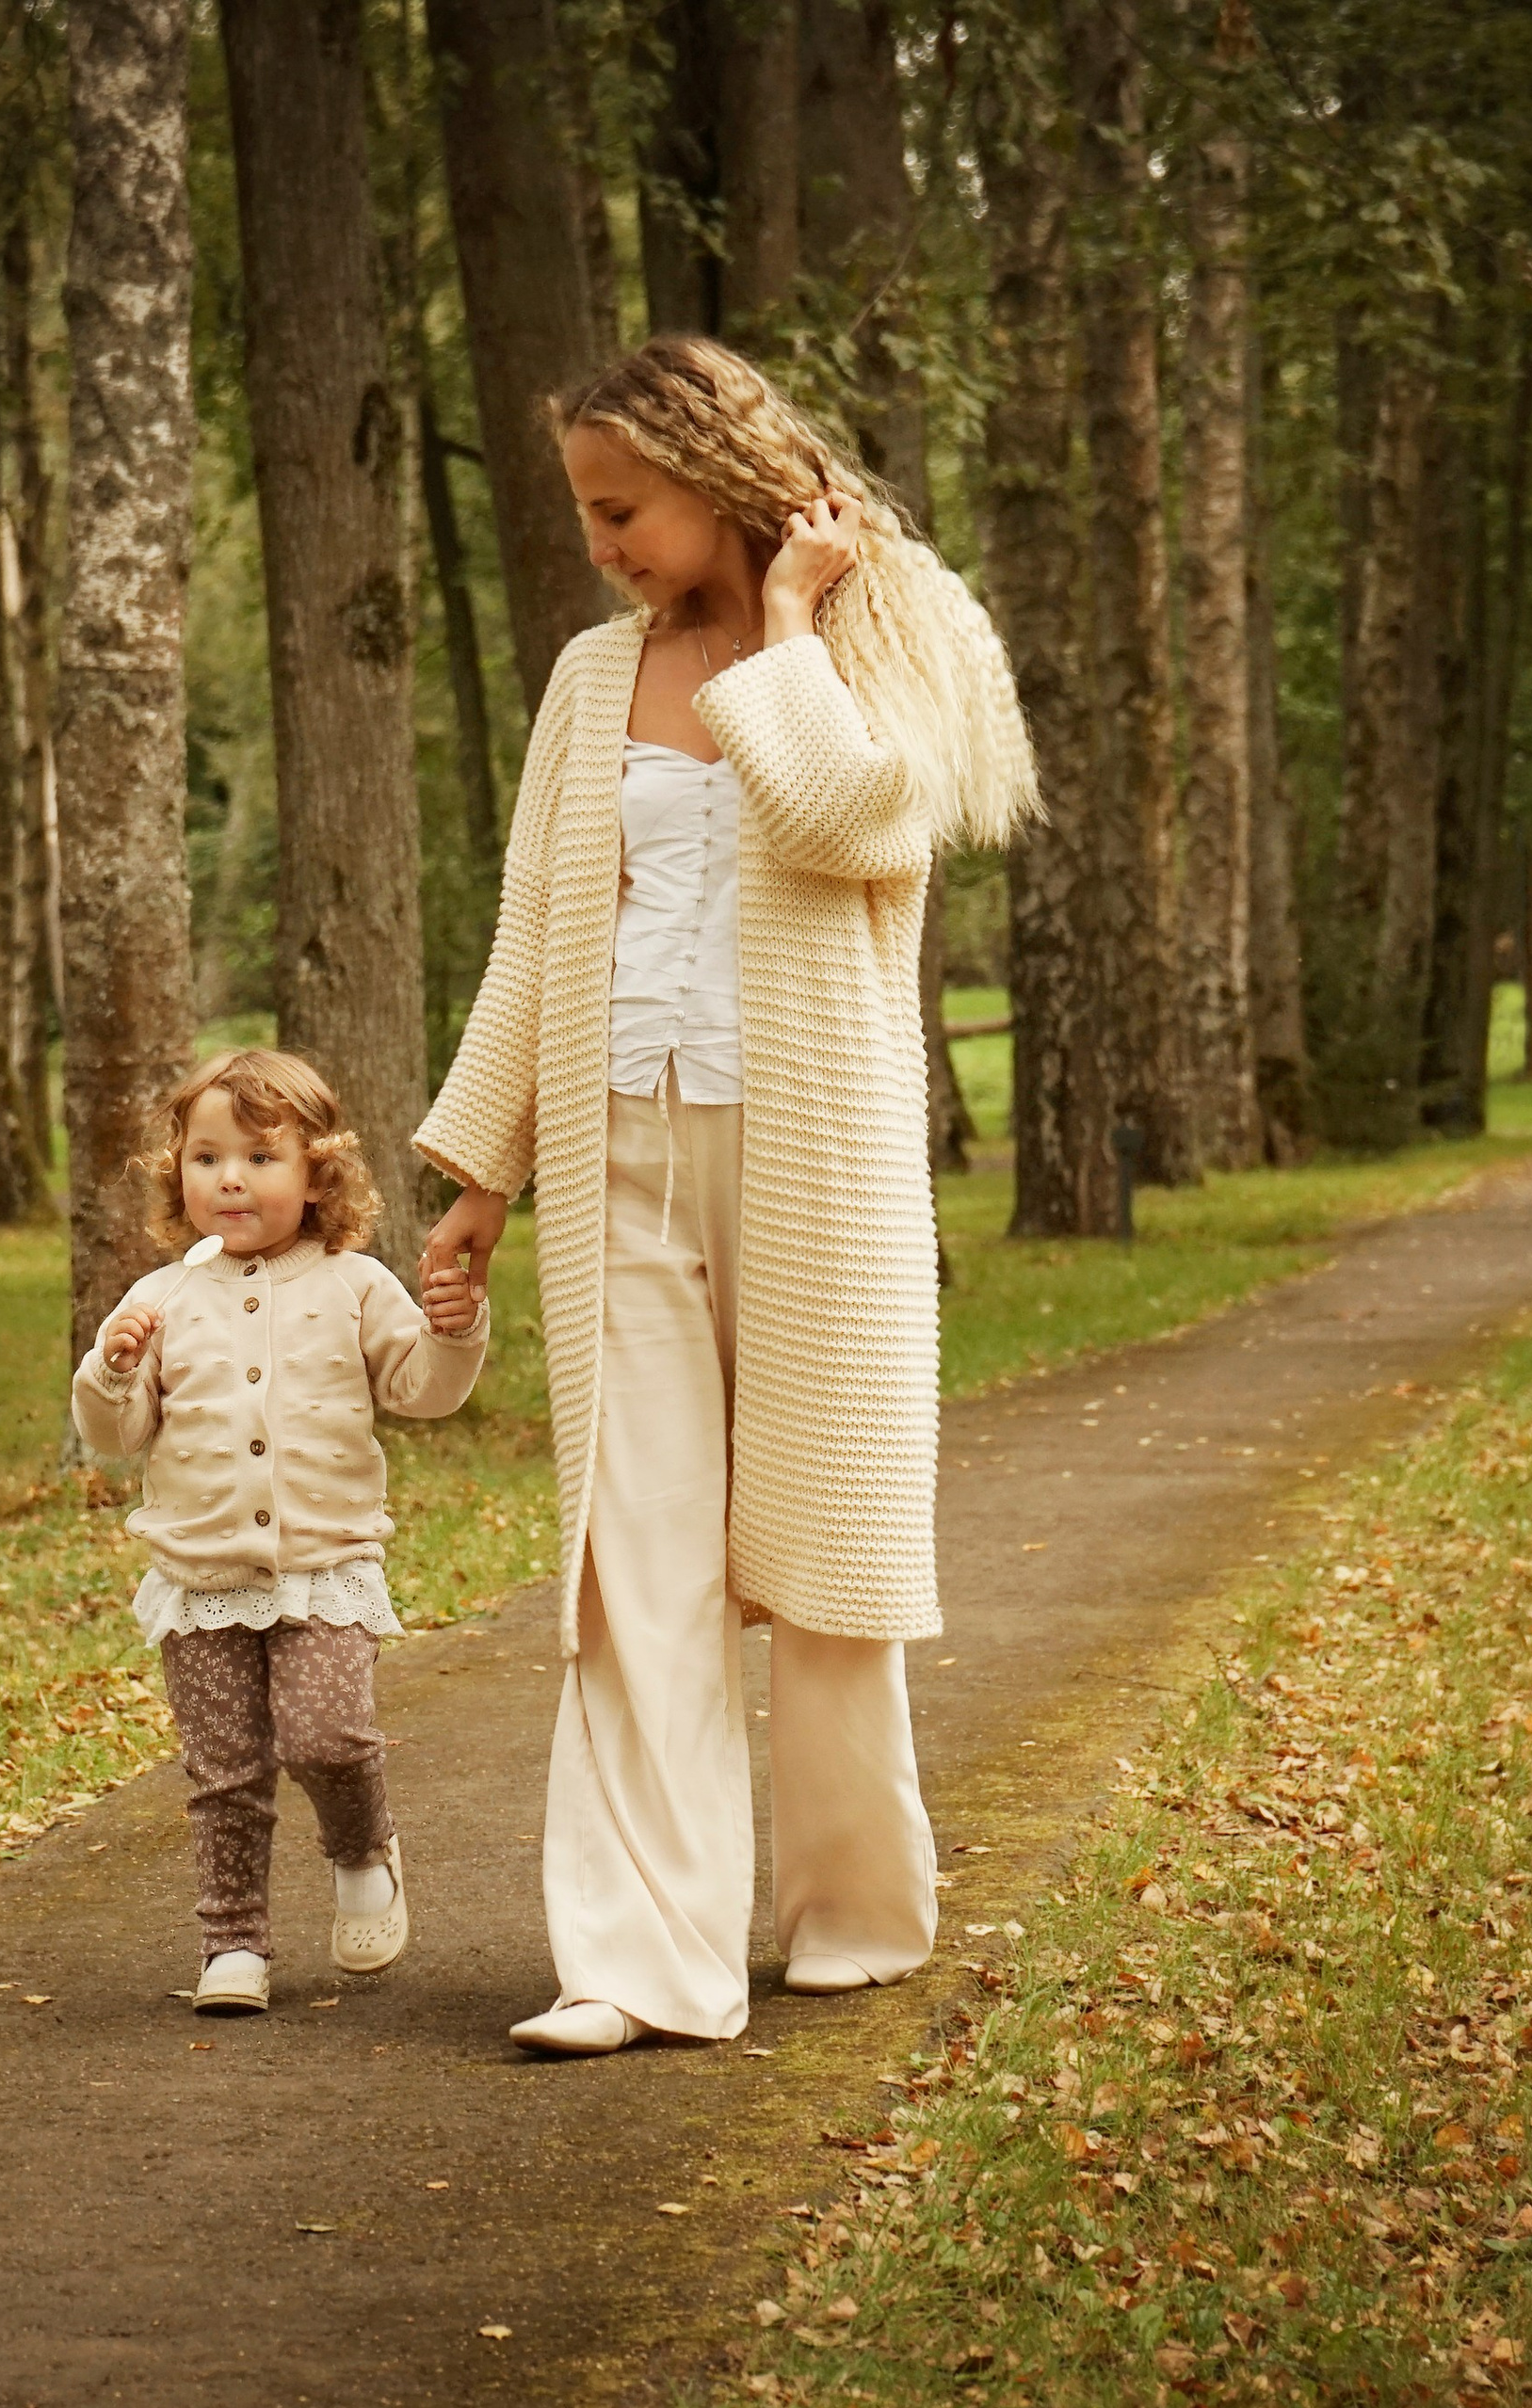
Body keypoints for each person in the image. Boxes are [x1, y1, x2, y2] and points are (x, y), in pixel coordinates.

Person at [414, 335, 1039, 2055]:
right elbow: (538, 935)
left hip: (815, 1158)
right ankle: (637, 1962)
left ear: (714, 478)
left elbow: (858, 825)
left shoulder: (889, 626)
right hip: (617, 1151)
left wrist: (786, 629)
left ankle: (854, 1911)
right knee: (632, 1559)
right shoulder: (586, 679)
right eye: (584, 512)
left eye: (623, 509)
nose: (599, 543)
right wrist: (481, 1178)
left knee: (826, 1547)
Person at [74, 1049, 486, 2015]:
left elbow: (420, 1390)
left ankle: (362, 1847)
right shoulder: (161, 1298)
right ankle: (232, 1943)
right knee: (224, 1773)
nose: (230, 1178)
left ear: (316, 1173)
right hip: (201, 1576)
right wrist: (111, 1370)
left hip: (323, 1563)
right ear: (178, 1172)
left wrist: (453, 1332)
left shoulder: (355, 1283)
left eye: (260, 1158)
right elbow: (116, 1433)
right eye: (207, 1157)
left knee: (327, 1736)